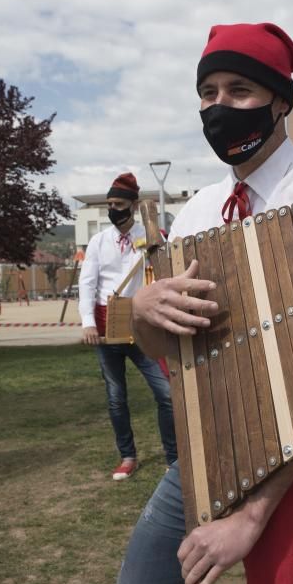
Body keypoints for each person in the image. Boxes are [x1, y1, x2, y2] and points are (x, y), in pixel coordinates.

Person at [117, 22, 293, 584]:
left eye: (239, 91)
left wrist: (250, 516)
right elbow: (173, 351)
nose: (219, 106)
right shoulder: (200, 210)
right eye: (208, 93)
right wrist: (142, 311)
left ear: (280, 102)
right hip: (204, 456)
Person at [78, 172, 178, 480]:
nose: (113, 209)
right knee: (116, 396)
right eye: (109, 204)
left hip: (140, 326)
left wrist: (155, 243)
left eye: (118, 203)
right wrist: (88, 323)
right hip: (107, 326)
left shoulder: (150, 235)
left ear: (133, 206)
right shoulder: (98, 241)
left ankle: (173, 458)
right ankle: (127, 455)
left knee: (165, 394)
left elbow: (164, 268)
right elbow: (88, 282)